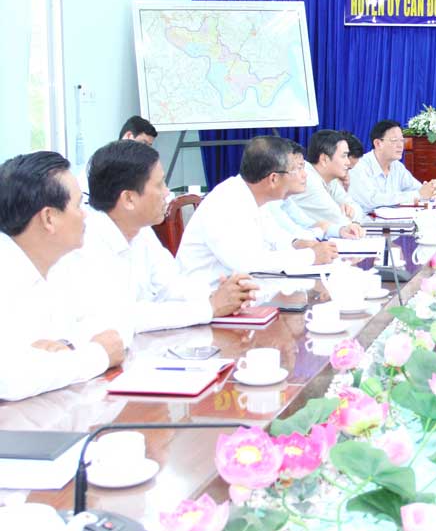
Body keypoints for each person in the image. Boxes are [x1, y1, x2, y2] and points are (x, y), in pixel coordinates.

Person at [48, 140, 258, 336]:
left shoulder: (141, 230)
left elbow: (172, 285)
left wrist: (224, 294)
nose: (167, 192)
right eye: (159, 185)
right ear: (129, 198)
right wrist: (209, 307)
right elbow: (125, 317)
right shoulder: (86, 243)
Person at [0, 151, 124, 401]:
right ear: (49, 218)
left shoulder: (61, 263)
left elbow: (114, 322)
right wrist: (97, 355)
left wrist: (66, 346)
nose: (85, 214)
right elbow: (11, 379)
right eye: (78, 205)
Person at [177, 136, 338, 287]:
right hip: (205, 297)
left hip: (244, 291)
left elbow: (275, 238)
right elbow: (249, 263)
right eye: (297, 169)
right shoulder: (227, 202)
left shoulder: (256, 198)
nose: (304, 174)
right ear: (273, 179)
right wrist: (311, 255)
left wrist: (298, 244)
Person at [348, 120, 436, 212]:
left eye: (402, 140)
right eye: (394, 140)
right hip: (364, 220)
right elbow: (372, 200)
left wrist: (431, 189)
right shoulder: (359, 166)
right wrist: (418, 194)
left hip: (392, 220)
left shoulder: (397, 167)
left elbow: (418, 189)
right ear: (378, 143)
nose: (400, 145)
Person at [287, 131, 364, 235]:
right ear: (324, 159)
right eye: (344, 156)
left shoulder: (330, 179)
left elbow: (358, 211)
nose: (348, 162)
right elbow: (341, 221)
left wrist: (351, 212)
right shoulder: (308, 180)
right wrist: (350, 218)